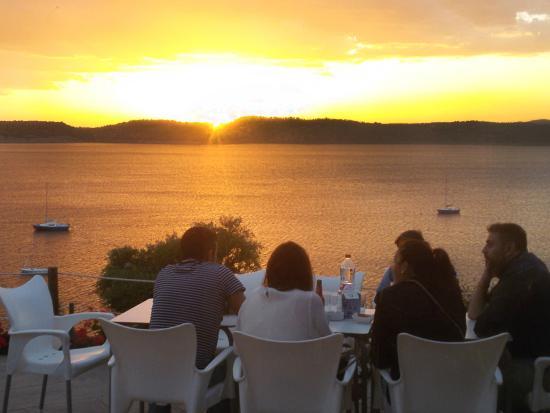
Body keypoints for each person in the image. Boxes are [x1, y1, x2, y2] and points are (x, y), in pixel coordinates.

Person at [149, 226, 245, 412]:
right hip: (196, 370)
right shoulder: (221, 273)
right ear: (211, 252)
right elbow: (246, 312)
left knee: (164, 364)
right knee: (225, 364)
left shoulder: (163, 274)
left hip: (155, 370)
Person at [468, 223, 550, 413]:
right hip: (535, 361)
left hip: (537, 369)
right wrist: (486, 274)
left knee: (476, 377)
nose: (483, 250)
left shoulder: (520, 278)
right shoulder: (525, 267)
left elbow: (480, 327)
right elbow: (474, 313)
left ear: (509, 249)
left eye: (490, 245)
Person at [370, 239, 466, 379]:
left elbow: (379, 359)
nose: (392, 267)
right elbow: (461, 333)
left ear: (404, 266)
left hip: (407, 391)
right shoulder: (451, 291)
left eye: (394, 262)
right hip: (452, 384)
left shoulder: (389, 297)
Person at [236, 241, 331, 340]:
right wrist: (319, 309)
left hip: (254, 355)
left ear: (271, 271)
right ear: (304, 275)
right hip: (298, 355)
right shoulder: (310, 301)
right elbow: (329, 343)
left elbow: (237, 347)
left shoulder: (250, 299)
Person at [376, 230, 425, 295]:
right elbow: (380, 292)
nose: (399, 251)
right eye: (399, 248)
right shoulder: (394, 269)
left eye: (403, 248)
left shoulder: (424, 269)